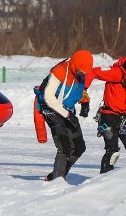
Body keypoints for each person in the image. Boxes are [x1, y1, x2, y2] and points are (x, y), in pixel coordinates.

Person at [34, 49, 93, 180]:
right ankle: (57, 180)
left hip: (67, 111)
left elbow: (80, 90)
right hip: (51, 109)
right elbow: (49, 97)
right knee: (64, 147)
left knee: (79, 147)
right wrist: (67, 115)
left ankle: (58, 174)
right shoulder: (60, 71)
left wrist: (85, 103)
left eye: (83, 72)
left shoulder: (80, 73)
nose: (81, 73)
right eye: (79, 70)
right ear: (74, 64)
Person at [91, 51, 126, 174]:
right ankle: (103, 181)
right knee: (112, 153)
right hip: (108, 116)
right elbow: (93, 72)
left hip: (124, 118)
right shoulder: (116, 72)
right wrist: (83, 90)